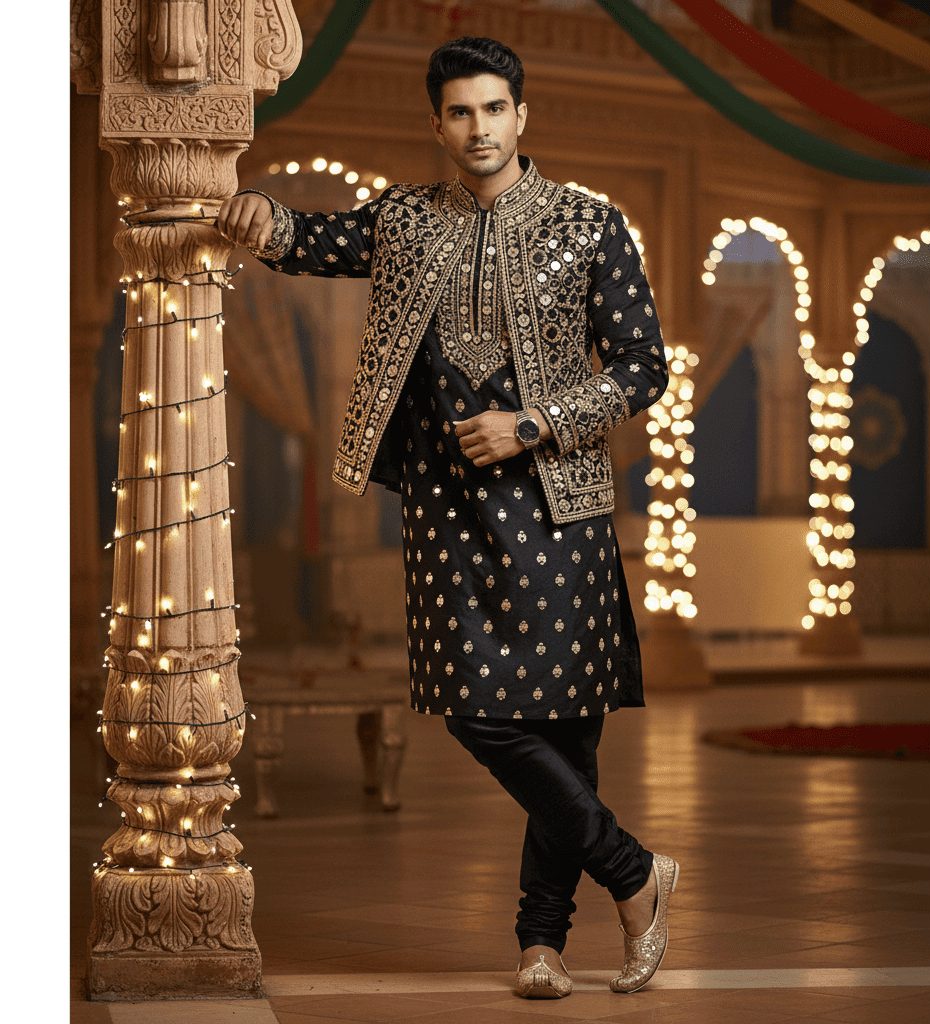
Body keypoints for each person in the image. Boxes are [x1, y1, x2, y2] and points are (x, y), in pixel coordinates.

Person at [217, 35, 678, 999]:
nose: (478, 128)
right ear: (436, 123)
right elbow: (312, 239)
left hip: (559, 505)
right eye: (459, 112)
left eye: (494, 109)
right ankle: (635, 873)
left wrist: (535, 423)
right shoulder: (405, 222)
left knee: (565, 730)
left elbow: (644, 367)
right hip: (447, 512)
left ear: (523, 115)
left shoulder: (590, 225)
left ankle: (541, 945)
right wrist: (260, 216)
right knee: (474, 709)